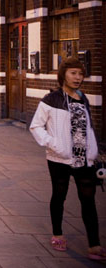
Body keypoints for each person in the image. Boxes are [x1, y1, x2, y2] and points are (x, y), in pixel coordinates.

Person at [29, 57, 105, 260]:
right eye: (73, 73)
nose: (78, 77)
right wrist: (54, 144)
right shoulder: (51, 100)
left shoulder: (84, 98)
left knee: (88, 199)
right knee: (59, 195)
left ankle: (94, 244)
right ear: (63, 75)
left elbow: (87, 128)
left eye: (80, 74)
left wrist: (94, 150)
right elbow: (36, 126)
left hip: (84, 159)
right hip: (59, 157)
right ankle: (57, 233)